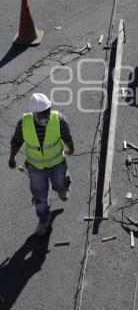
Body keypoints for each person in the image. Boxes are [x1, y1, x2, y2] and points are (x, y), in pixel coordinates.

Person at [9, 93, 74, 236]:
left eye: (48, 111)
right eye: (43, 114)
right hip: (35, 167)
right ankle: (44, 219)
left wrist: (71, 148)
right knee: (39, 197)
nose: (47, 115)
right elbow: (16, 141)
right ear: (34, 114)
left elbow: (67, 137)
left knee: (60, 187)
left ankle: (64, 186)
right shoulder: (23, 123)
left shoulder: (58, 119)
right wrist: (12, 158)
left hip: (57, 163)